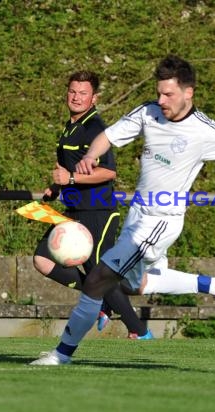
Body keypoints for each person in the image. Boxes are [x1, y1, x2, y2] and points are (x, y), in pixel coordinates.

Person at [29, 54, 215, 365]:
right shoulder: (148, 113)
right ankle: (213, 284)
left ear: (188, 92)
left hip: (161, 221)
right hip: (137, 216)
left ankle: (62, 354)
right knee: (132, 285)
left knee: (97, 278)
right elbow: (107, 136)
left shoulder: (206, 132)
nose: (161, 100)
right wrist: (90, 156)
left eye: (168, 94)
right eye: (159, 92)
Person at [32, 70, 152, 339]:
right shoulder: (70, 126)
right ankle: (102, 301)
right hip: (74, 211)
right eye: (72, 91)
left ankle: (140, 330)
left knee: (101, 273)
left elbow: (109, 172)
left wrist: (70, 177)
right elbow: (69, 168)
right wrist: (58, 187)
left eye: (83, 93)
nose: (76, 97)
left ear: (94, 98)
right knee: (41, 259)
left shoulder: (95, 128)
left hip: (98, 212)